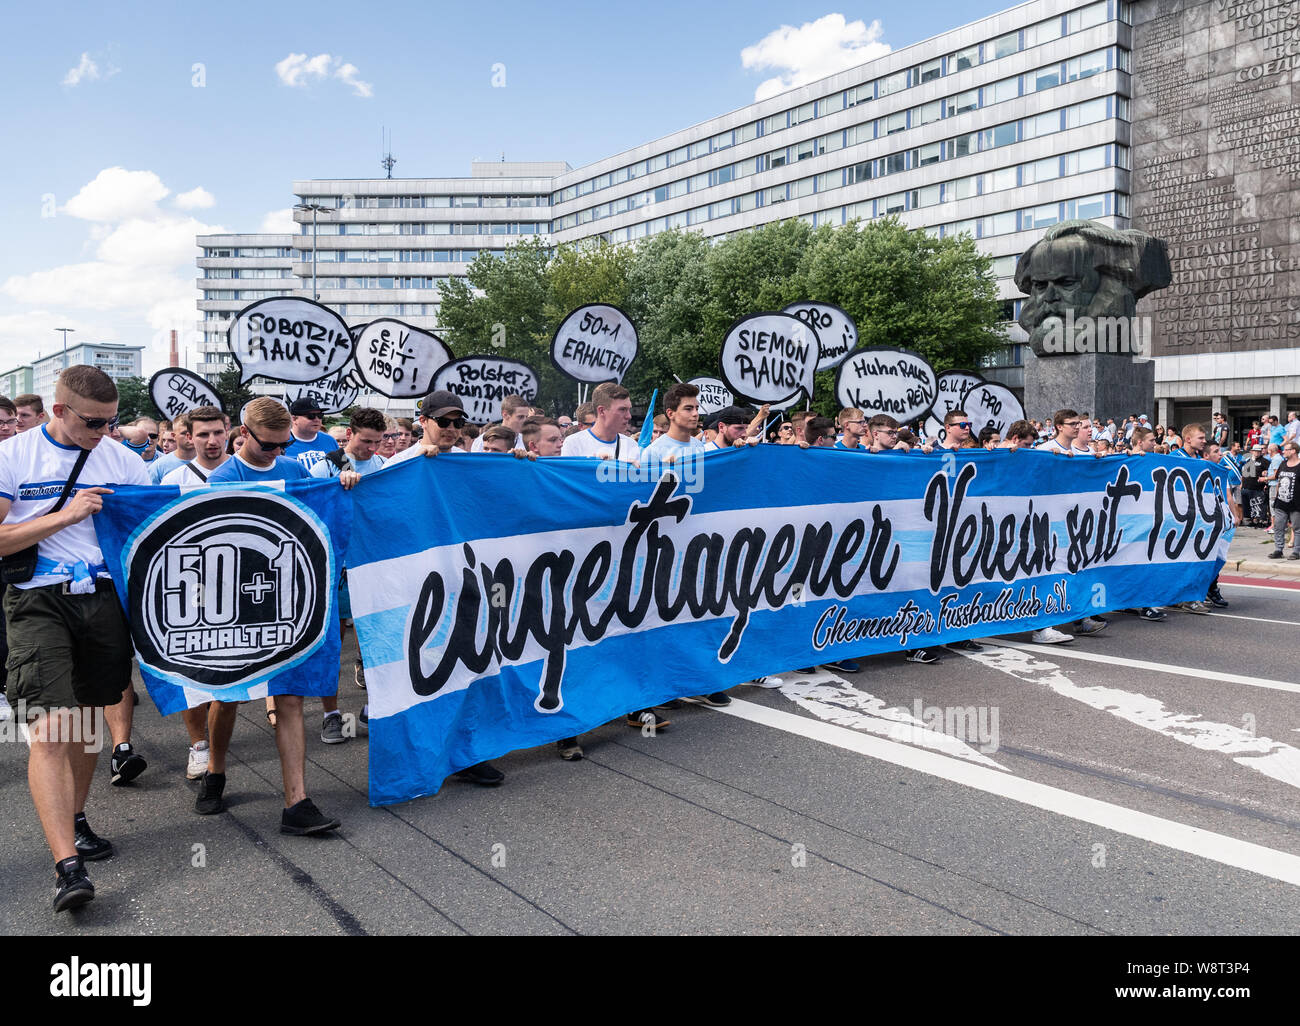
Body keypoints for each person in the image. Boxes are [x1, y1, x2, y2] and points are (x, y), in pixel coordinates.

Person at [0, 365, 151, 912]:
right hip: (37, 597)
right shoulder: (13, 455)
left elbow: (154, 532)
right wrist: (66, 516)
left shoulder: (125, 460)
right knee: (51, 727)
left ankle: (76, 818)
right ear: (58, 411)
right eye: (93, 423)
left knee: (89, 721)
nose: (103, 433)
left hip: (103, 599)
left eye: (111, 423)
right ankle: (68, 867)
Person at [198, 398, 358, 833]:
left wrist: (340, 484)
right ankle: (215, 770)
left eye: (283, 444)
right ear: (244, 435)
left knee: (288, 695)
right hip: (238, 603)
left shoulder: (293, 470)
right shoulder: (223, 477)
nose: (277, 452)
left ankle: (297, 803)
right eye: (269, 445)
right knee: (228, 696)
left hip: (286, 597)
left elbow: (316, 516)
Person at [158, 406, 231, 777]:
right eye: (203, 435)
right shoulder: (173, 479)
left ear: (229, 430)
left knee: (229, 674)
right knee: (190, 672)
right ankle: (198, 744)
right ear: (188, 436)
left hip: (235, 586)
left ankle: (218, 752)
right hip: (189, 587)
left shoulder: (243, 474)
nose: (212, 441)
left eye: (217, 432)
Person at [311, 407, 389, 736]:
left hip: (371, 559)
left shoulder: (383, 464)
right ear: (350, 434)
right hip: (336, 564)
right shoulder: (326, 465)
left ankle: (374, 706)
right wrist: (336, 489)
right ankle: (332, 714)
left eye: (377, 442)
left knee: (375, 638)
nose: (371, 448)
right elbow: (311, 512)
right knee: (333, 642)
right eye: (365, 441)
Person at [560, 383, 642, 462]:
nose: (629, 416)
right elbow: (566, 475)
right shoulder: (573, 443)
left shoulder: (631, 444)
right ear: (602, 411)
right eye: (622, 409)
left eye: (629, 409)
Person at [284, 397, 339, 472]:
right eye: (311, 416)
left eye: (320, 415)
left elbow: (346, 467)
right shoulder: (282, 441)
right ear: (294, 419)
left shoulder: (330, 440)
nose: (316, 419)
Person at [1266, 440, 1300, 560]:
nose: (1284, 451)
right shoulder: (1283, 464)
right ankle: (1278, 549)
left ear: (1293, 451)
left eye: (1286, 449)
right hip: (1281, 502)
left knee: (1297, 527)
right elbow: (1279, 481)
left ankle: (1297, 551)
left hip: (1296, 503)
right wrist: (1276, 496)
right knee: (1278, 527)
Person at [148, 411, 198, 483]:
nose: (189, 437)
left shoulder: (210, 462)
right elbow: (151, 493)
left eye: (193, 432)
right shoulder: (158, 466)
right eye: (184, 433)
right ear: (174, 436)